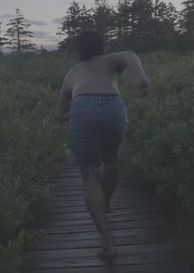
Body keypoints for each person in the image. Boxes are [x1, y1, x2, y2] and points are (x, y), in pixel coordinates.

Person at [55, 30, 151, 258]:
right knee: (110, 162)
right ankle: (105, 202)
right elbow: (130, 54)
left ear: (80, 50)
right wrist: (140, 78)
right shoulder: (111, 61)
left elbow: (59, 114)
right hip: (113, 106)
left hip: (82, 108)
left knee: (89, 175)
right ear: (102, 47)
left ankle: (108, 243)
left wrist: (82, 109)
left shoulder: (73, 72)